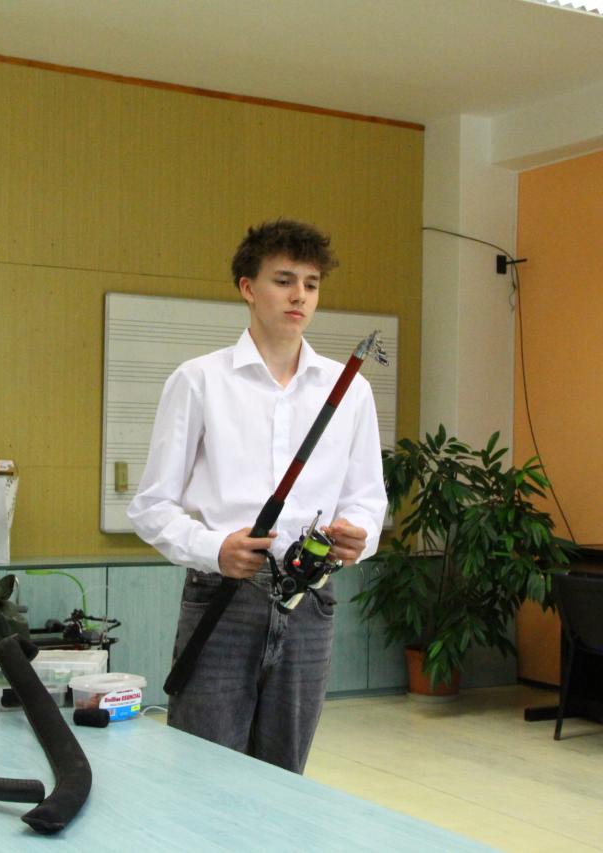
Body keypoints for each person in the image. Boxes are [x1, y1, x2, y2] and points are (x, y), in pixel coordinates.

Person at [127, 219, 387, 773]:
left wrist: (358, 535)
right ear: (248, 287)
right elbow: (151, 507)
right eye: (283, 280)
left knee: (285, 775)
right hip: (224, 595)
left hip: (310, 600)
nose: (299, 296)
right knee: (203, 770)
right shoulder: (199, 380)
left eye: (311, 284)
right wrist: (214, 548)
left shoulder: (351, 390)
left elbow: (367, 497)